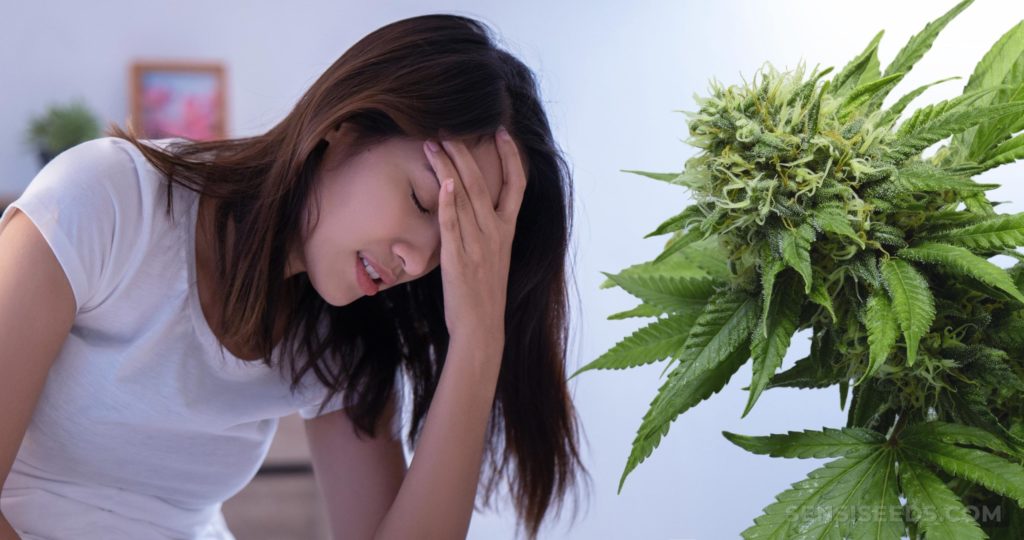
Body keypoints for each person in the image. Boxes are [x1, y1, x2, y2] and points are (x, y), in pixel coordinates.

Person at [0, 13, 589, 540]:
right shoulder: (106, 202)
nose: (416, 263)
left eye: (453, 250)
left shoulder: (339, 337)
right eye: (420, 200)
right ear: (345, 128)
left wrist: (480, 340)